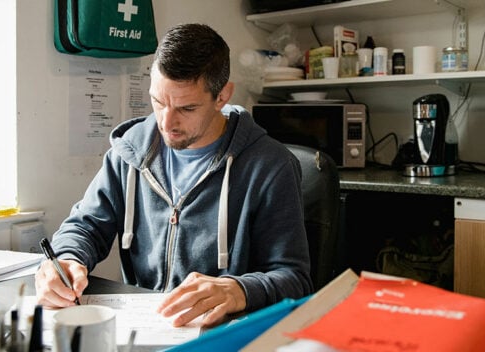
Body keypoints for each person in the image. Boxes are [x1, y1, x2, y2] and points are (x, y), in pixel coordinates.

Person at [35, 23, 312, 328]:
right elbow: (85, 226)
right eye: (158, 101)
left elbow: (294, 279)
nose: (167, 122)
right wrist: (65, 260)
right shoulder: (129, 152)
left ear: (222, 97)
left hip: (221, 336)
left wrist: (240, 289)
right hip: (142, 330)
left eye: (186, 108)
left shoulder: (271, 166)